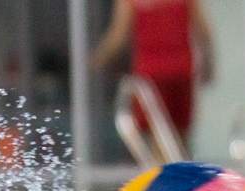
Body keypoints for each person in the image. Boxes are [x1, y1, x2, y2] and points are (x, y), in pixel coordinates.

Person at [91, 0, 216, 141]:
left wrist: (95, 62)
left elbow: (119, 34)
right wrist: (209, 64)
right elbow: (204, 30)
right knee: (179, 140)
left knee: (158, 139)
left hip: (151, 74)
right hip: (180, 71)